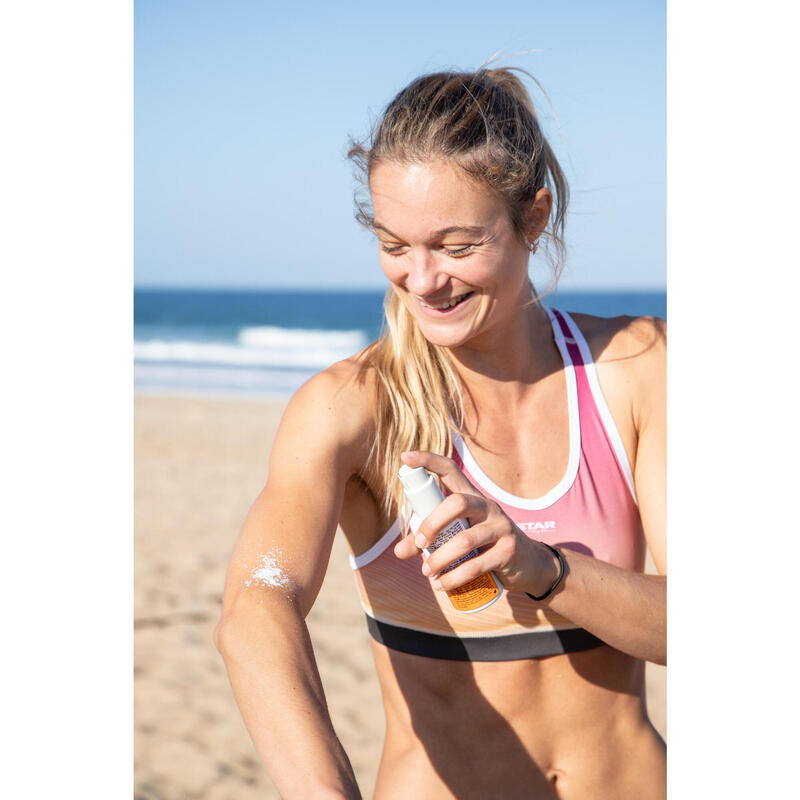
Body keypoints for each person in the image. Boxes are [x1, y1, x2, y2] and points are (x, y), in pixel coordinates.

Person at [213, 67, 666, 799]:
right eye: (395, 245)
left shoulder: (641, 369)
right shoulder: (350, 409)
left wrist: (542, 568)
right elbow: (256, 607)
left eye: (455, 247)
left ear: (534, 216)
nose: (422, 281)